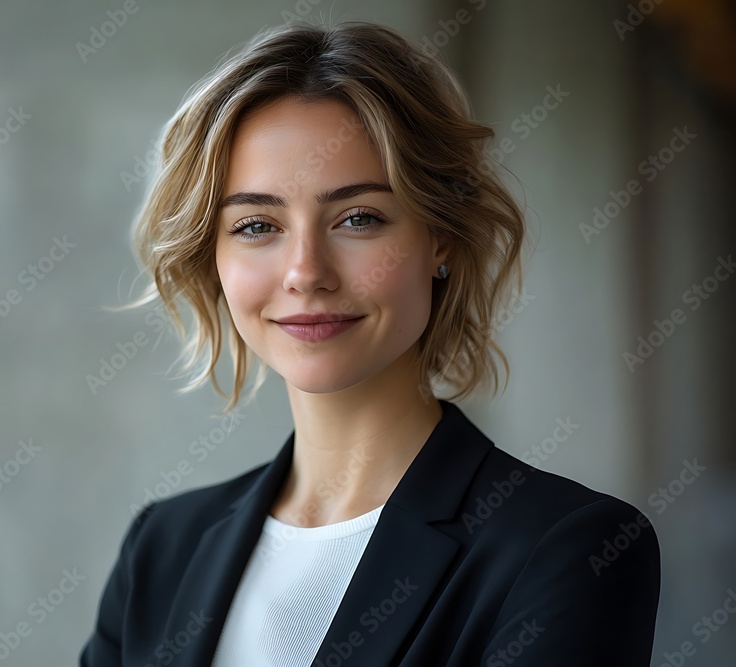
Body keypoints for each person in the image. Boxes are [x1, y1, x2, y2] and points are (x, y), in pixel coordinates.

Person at [80, 20, 660, 667]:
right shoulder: (161, 548)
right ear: (211, 255)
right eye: (256, 224)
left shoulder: (567, 547)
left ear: (438, 238)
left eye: (358, 218)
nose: (306, 270)